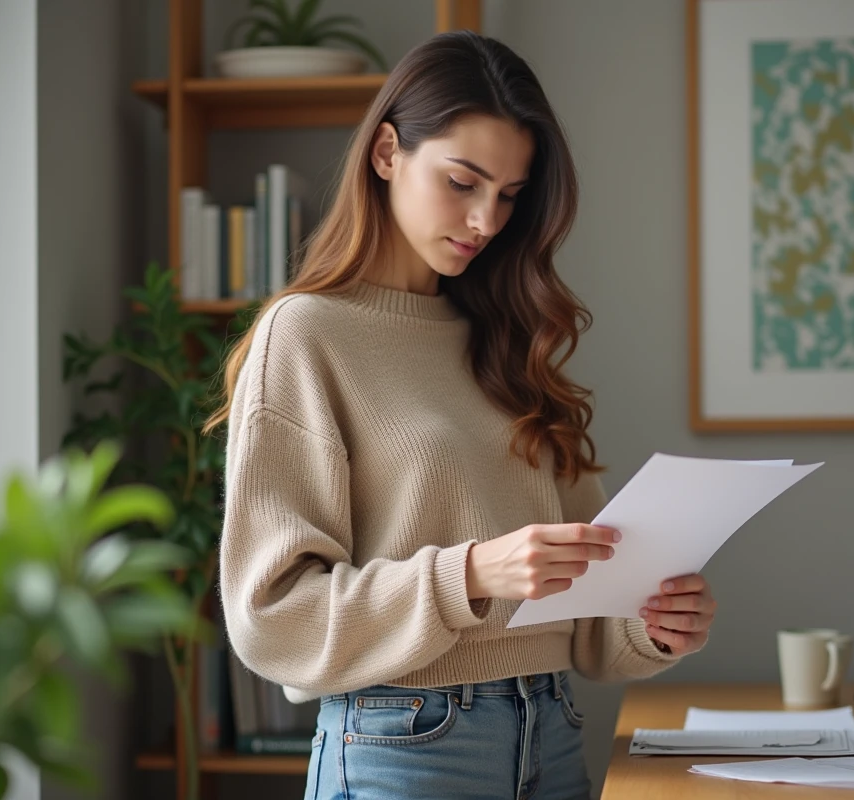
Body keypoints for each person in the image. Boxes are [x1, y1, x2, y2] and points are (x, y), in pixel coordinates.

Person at [209, 30, 717, 800]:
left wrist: (651, 624)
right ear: (387, 153)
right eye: (463, 181)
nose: (486, 219)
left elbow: (588, 616)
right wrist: (467, 574)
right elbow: (271, 617)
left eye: (509, 195)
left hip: (550, 729)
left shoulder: (507, 343)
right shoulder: (308, 334)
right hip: (405, 745)